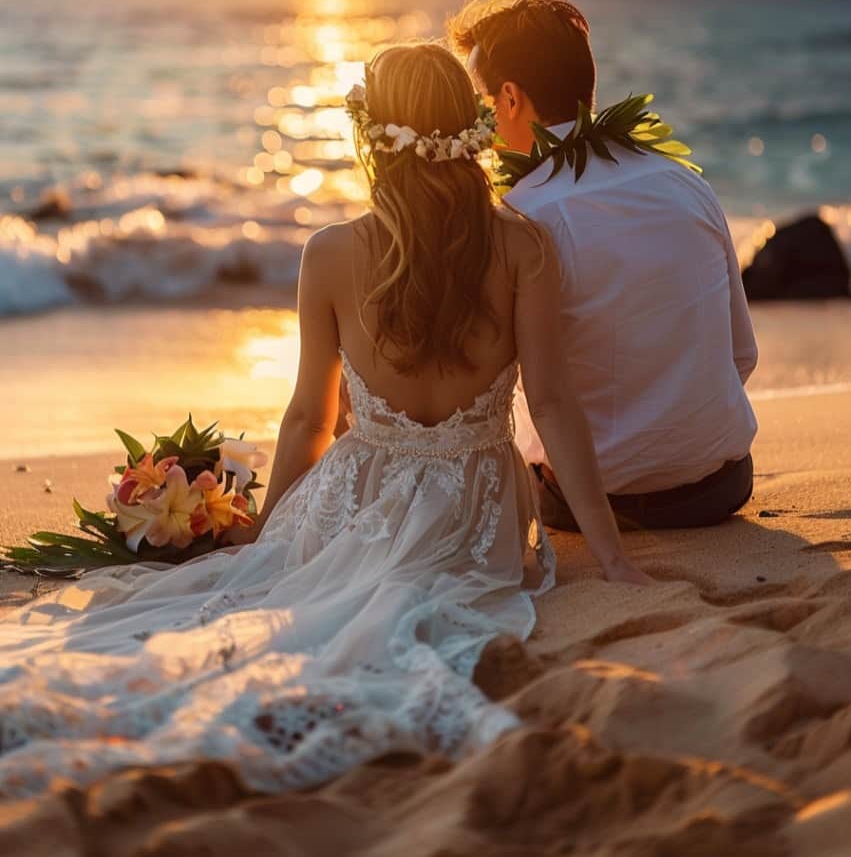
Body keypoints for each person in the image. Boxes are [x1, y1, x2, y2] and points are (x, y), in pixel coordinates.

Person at [0, 41, 646, 801]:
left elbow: (310, 412)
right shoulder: (521, 245)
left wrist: (272, 526)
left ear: (371, 136)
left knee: (273, 604)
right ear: (468, 127)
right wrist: (608, 553)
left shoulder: (331, 252)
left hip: (355, 497)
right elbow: (553, 403)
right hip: (477, 508)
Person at [450, 0, 758, 531]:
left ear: (509, 97)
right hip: (719, 488)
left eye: (480, 102)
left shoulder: (520, 218)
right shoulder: (687, 183)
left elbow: (492, 392)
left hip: (587, 503)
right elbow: (741, 357)